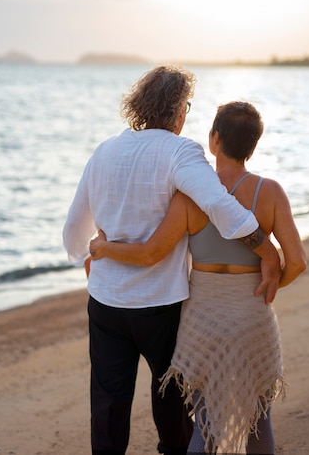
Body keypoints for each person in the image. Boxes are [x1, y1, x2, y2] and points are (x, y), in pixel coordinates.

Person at [63, 66, 281, 455]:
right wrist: (267, 251)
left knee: (109, 404)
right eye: (188, 107)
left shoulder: (104, 150)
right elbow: (218, 203)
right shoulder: (181, 151)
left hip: (106, 303)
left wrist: (90, 260)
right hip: (159, 305)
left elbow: (74, 231)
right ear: (179, 111)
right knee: (172, 401)